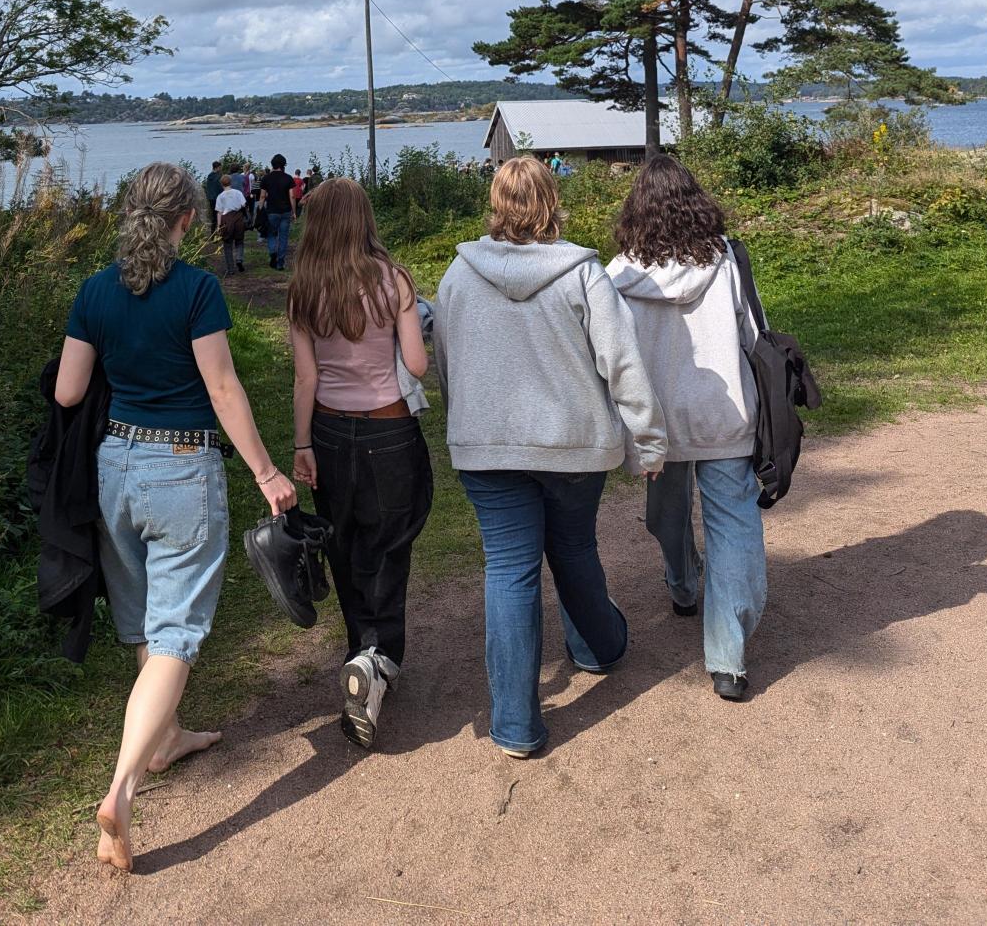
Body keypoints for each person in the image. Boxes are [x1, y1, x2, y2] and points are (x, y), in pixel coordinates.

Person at [53, 163, 297, 871]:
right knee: (175, 634)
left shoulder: (95, 290)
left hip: (115, 469)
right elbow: (222, 385)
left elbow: (69, 391)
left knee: (143, 619)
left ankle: (165, 738)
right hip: (181, 467)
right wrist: (266, 470)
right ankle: (121, 788)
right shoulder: (196, 289)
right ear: (188, 219)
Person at [434, 155, 666, 758]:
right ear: (550, 201)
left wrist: (467, 419)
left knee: (509, 570)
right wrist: (648, 440)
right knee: (573, 549)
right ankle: (599, 646)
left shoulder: (458, 277)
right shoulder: (582, 274)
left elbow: (445, 363)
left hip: (486, 447)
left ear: (495, 202)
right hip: (572, 444)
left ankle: (515, 723)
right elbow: (623, 363)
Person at [607, 154, 765, 703]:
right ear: (697, 203)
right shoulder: (725, 259)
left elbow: (610, 354)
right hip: (725, 414)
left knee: (667, 516)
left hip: (656, 422)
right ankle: (728, 657)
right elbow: (752, 335)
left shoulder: (618, 275)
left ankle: (681, 584)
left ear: (637, 211)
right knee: (733, 525)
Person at [287, 178, 432, 748]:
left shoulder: (303, 288)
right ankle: (378, 659)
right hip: (389, 428)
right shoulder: (392, 279)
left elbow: (306, 378)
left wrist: (301, 446)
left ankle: (359, 650)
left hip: (327, 430)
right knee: (391, 540)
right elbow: (416, 365)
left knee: (344, 543)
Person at [258, 152, 296, 270]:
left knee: (271, 234)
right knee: (284, 237)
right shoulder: (288, 178)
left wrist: (260, 209)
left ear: (272, 164)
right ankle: (280, 263)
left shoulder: (266, 178)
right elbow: (292, 196)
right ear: (283, 165)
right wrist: (294, 211)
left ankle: (273, 251)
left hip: (272, 211)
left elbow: (263, 196)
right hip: (285, 211)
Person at [215, 173, 248, 274]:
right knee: (239, 241)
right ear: (231, 182)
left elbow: (219, 212)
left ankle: (230, 268)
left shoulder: (220, 196)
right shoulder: (237, 193)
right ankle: (239, 259)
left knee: (227, 244)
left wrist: (218, 225)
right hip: (238, 217)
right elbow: (244, 204)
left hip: (226, 219)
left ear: (221, 184)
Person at [203, 161, 224, 233]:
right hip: (218, 198)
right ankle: (220, 231)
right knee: (220, 214)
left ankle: (213, 232)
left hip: (211, 198)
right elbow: (220, 187)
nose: (221, 169)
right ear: (218, 167)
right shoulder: (219, 176)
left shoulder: (209, 176)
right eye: (220, 167)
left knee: (214, 216)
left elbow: (208, 187)